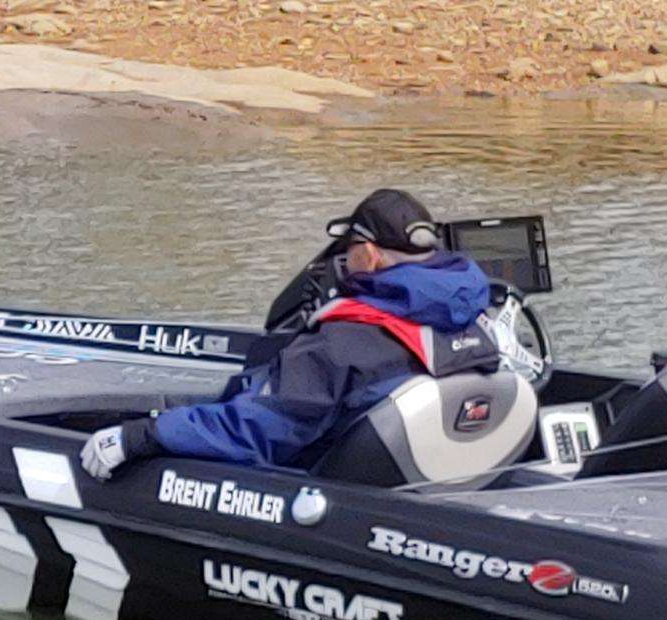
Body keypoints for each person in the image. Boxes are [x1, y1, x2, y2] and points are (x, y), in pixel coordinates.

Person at [79, 189, 501, 481]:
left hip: (316, 492)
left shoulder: (344, 343)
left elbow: (257, 430)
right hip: (431, 479)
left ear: (369, 255)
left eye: (350, 250)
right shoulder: (478, 323)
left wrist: (142, 436)